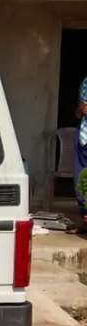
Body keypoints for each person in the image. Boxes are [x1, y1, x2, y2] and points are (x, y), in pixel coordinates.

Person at [75, 75, 87, 221]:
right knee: (81, 181)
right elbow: (79, 113)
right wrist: (81, 108)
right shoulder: (86, 81)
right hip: (84, 138)